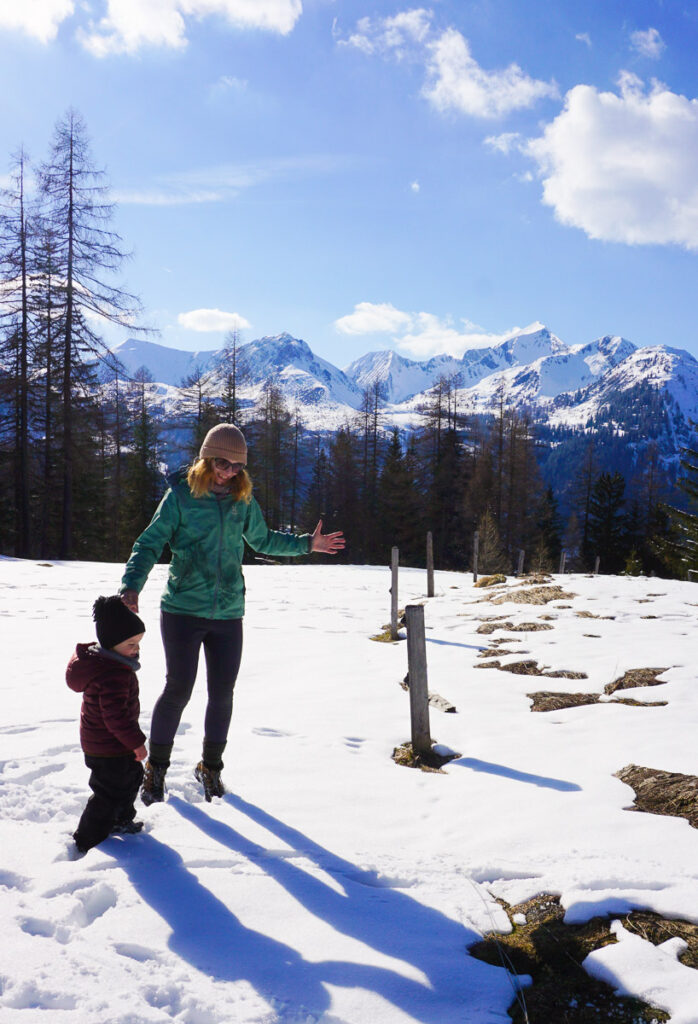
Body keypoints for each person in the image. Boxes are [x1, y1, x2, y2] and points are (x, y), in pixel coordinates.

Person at [120, 422, 344, 804]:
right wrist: (131, 587)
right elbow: (149, 543)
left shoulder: (242, 500)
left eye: (236, 466)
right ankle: (156, 769)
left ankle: (211, 767)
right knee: (178, 689)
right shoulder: (180, 496)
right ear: (206, 458)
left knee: (222, 694)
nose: (229, 472)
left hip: (228, 614)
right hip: (183, 610)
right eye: (222, 463)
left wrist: (308, 543)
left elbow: (264, 539)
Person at [67, 596, 148, 854]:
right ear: (112, 645)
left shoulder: (114, 665)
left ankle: (121, 819)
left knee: (131, 777)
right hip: (106, 746)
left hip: (112, 743)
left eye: (138, 643)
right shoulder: (113, 674)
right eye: (131, 644)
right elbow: (116, 717)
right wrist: (136, 743)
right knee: (109, 791)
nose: (136, 649)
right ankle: (86, 838)